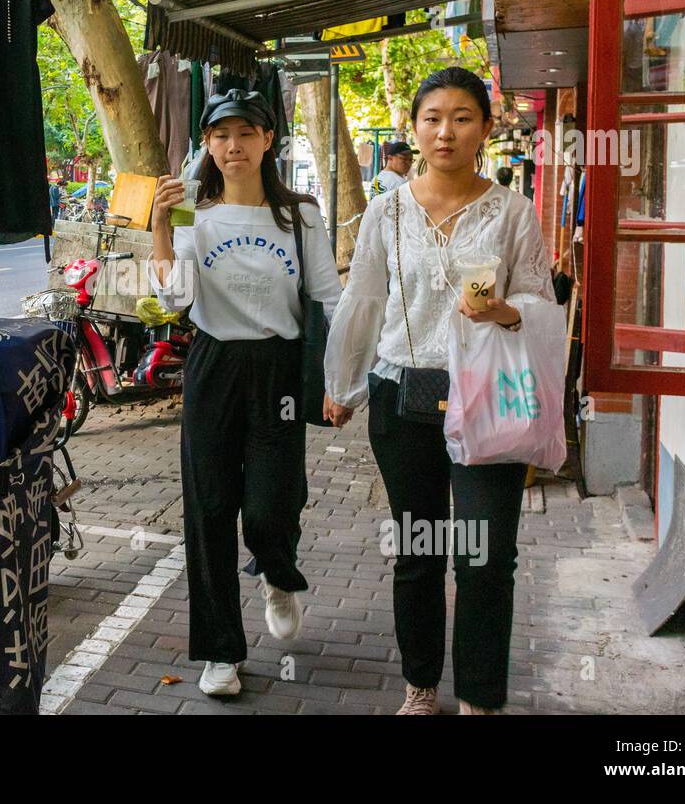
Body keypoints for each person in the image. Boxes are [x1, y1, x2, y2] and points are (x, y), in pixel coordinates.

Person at [322, 67, 558, 715]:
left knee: (485, 557)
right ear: (414, 127)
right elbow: (365, 298)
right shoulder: (387, 211)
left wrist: (506, 311)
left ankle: (481, 699)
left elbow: (541, 300)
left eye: (461, 117)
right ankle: (421, 688)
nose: (445, 130)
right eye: (432, 117)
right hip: (403, 394)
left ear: (485, 127)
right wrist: (343, 382)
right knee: (418, 550)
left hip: (489, 395)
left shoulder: (512, 211)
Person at [148, 88, 342, 698]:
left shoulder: (300, 215)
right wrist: (160, 226)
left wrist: (340, 379)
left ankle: (278, 573)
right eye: (221, 135)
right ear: (207, 144)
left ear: (268, 141)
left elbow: (329, 297)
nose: (233, 146)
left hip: (281, 368)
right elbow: (175, 298)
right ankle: (219, 653)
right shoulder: (194, 215)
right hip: (214, 365)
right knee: (208, 510)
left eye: (246, 133)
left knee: (271, 503)